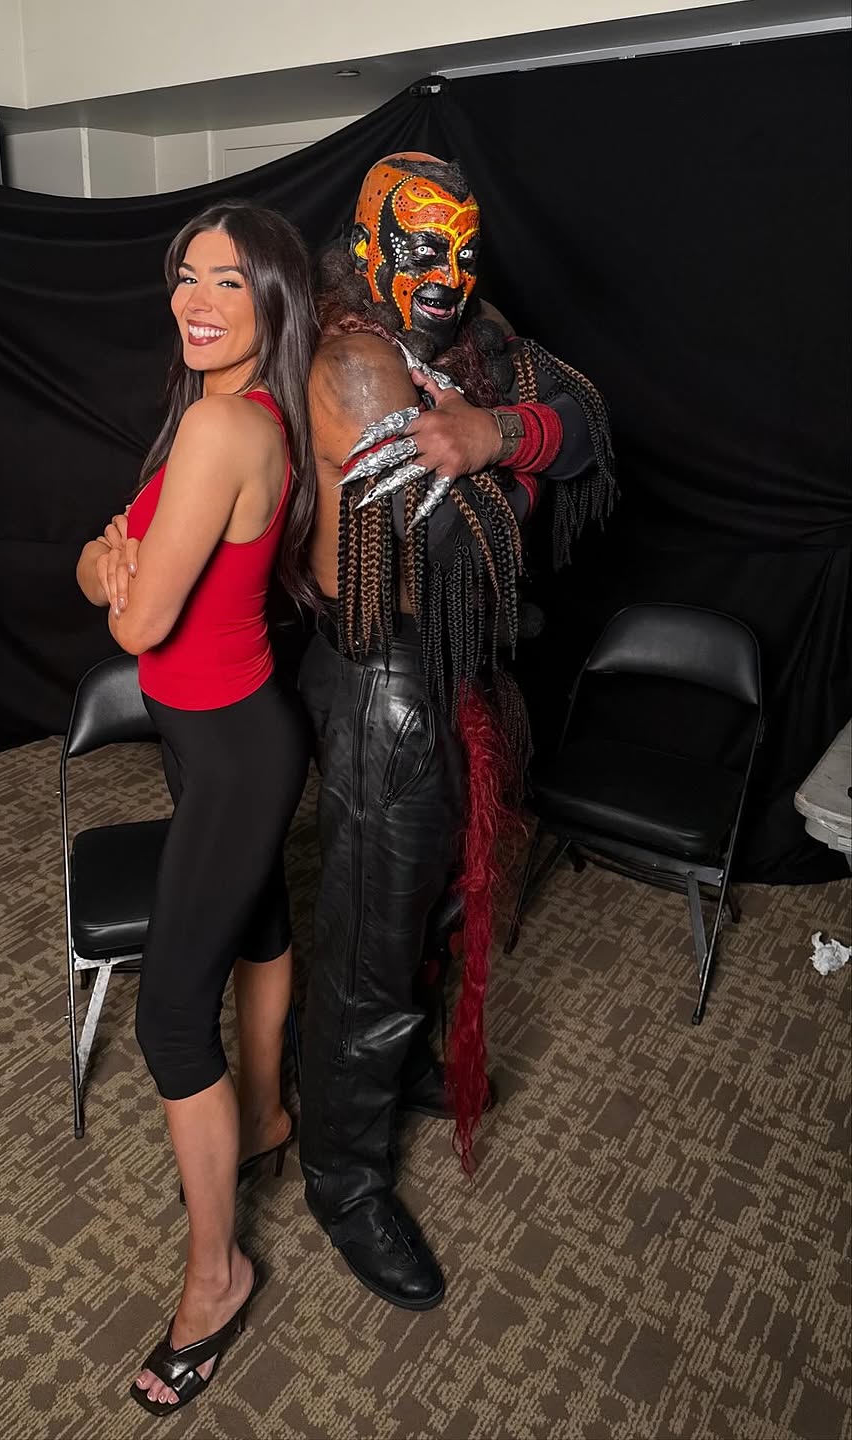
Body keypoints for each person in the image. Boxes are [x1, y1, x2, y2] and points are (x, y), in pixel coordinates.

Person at [298, 153, 616, 1311]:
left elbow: (586, 421)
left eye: (465, 247)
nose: (449, 270)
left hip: (452, 670)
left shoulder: (474, 337)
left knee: (429, 908)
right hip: (385, 677)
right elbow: (456, 544)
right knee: (370, 945)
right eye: (422, 245)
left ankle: (389, 1077)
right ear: (368, 244)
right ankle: (342, 1177)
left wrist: (500, 432)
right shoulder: (356, 361)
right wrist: (504, 452)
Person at [75, 201, 316, 1416]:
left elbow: (134, 615)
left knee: (171, 1023)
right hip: (226, 728)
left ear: (273, 298)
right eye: (185, 274)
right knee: (261, 925)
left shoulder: (225, 423)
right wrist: (109, 561)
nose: (197, 298)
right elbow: (105, 560)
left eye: (228, 278)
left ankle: (217, 1279)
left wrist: (114, 569)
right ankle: (265, 1117)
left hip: (231, 751)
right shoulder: (224, 410)